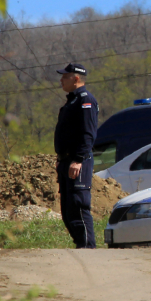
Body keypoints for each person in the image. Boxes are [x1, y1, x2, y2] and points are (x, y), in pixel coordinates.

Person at [54, 63, 98, 249]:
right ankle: (81, 245)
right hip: (65, 161)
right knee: (68, 210)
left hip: (77, 161)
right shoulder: (72, 101)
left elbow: (88, 133)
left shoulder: (85, 100)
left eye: (65, 76)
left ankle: (88, 248)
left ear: (76, 78)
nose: (61, 80)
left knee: (78, 206)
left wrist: (78, 159)